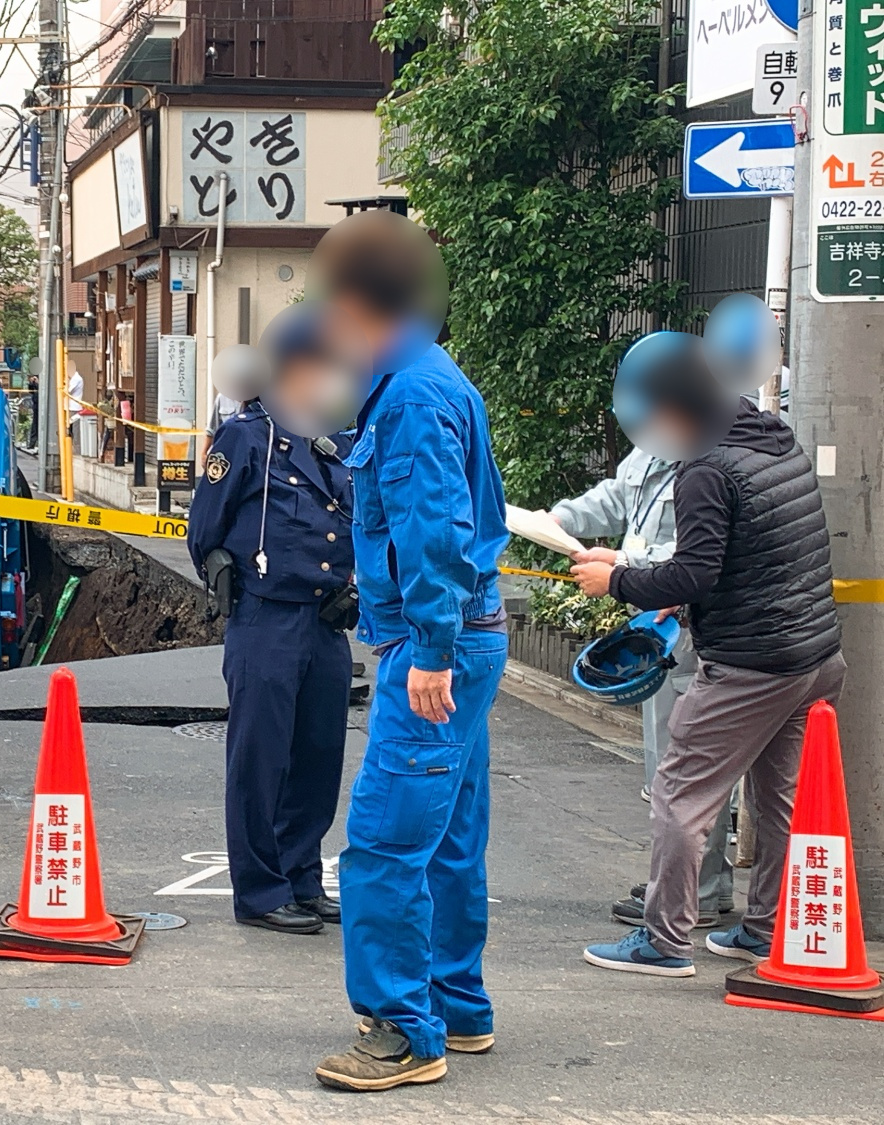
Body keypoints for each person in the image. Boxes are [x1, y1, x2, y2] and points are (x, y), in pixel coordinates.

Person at [310, 218, 509, 1094]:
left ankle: (399, 1028)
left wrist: (427, 647)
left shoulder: (413, 394)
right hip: (469, 635)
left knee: (387, 838)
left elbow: (436, 532)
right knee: (452, 834)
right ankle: (458, 1007)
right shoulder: (429, 378)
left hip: (440, 644)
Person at [576, 396, 844, 978]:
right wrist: (666, 585)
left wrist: (616, 579)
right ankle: (765, 929)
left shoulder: (704, 470)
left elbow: (696, 569)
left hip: (752, 663)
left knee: (679, 792)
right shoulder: (774, 441)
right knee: (778, 800)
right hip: (815, 654)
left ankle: (664, 940)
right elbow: (749, 556)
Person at [187, 332, 355, 937]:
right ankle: (259, 891)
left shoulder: (333, 442)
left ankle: (302, 877)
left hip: (325, 621)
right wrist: (221, 571)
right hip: (266, 617)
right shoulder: (245, 436)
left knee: (317, 757)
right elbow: (204, 524)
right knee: (261, 758)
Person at [550, 451, 735, 928]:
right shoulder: (657, 443)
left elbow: (700, 553)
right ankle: (683, 883)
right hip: (657, 611)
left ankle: (697, 892)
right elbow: (617, 496)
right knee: (669, 763)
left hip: (689, 618)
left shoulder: (710, 456)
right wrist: (556, 520)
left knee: (687, 762)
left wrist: (621, 566)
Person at [24, 374, 39, 453]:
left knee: (38, 424)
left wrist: (38, 383)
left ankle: (37, 443)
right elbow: (31, 391)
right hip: (36, 404)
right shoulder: (35, 382)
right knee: (35, 424)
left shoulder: (44, 380)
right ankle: (32, 443)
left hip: (41, 404)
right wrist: (31, 383)